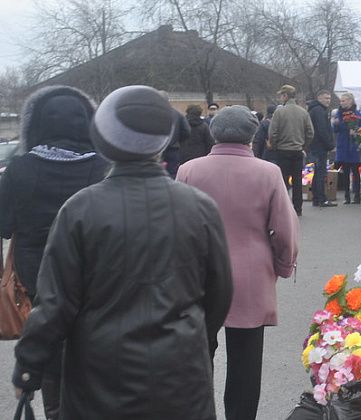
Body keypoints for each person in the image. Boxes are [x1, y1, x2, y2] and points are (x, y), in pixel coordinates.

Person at [12, 85, 234, 419]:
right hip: (181, 371)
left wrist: (29, 366)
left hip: (99, 375)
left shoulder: (80, 209)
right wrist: (191, 334)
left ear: (103, 137)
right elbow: (219, 292)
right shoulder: (200, 207)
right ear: (164, 139)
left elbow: (55, 303)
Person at [178, 106, 299, 420]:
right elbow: (284, 228)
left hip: (199, 275)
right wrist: (284, 264)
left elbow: (176, 226)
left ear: (214, 132)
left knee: (198, 357)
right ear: (252, 134)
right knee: (246, 361)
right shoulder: (269, 172)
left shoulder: (189, 170)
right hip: (251, 275)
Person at [0, 85, 110, 419]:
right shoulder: (104, 167)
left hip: (36, 272)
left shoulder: (20, 168)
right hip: (93, 270)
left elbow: (4, 226)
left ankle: (56, 409)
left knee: (50, 336)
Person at [268, 84, 314, 216]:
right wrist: (304, 146)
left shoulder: (279, 112)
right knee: (297, 181)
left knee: (282, 181)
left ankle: (283, 209)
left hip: (283, 150)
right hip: (297, 151)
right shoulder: (303, 112)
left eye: (281, 96)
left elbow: (273, 133)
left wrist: (275, 145)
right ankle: (298, 209)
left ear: (285, 96)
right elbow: (310, 133)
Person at [332, 92, 361, 204]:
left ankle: (357, 195)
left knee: (355, 172)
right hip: (343, 146)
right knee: (345, 171)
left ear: (350, 101)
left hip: (353, 146)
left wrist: (355, 132)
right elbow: (335, 130)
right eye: (341, 101)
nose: (341, 103)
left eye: (344, 100)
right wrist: (336, 124)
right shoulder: (339, 114)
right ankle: (347, 196)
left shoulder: (357, 114)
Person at [306, 90, 337, 207]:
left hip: (315, 145)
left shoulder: (315, 109)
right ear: (319, 98)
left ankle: (316, 198)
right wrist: (330, 145)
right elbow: (322, 130)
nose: (328, 101)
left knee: (318, 173)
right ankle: (321, 199)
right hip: (319, 146)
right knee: (320, 173)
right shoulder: (319, 111)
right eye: (325, 98)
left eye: (329, 98)